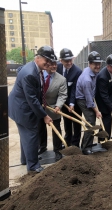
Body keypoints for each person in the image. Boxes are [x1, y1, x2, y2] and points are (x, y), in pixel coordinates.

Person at [8, 45, 55, 173]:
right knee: (31, 135)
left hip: (19, 105)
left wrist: (43, 104)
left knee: (25, 135)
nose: (49, 63)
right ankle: (33, 166)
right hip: (22, 108)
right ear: (38, 58)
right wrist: (44, 115)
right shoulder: (30, 73)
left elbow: (35, 94)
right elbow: (32, 99)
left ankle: (26, 159)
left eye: (51, 61)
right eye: (47, 60)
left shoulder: (35, 68)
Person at [38, 60, 67, 161]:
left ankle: (58, 150)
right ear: (46, 64)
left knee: (57, 129)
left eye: (56, 64)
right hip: (39, 107)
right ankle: (42, 147)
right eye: (52, 64)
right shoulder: (38, 75)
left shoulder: (61, 79)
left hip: (53, 108)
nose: (54, 66)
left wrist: (58, 106)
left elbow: (62, 95)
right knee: (40, 128)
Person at [76, 51, 102, 155]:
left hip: (89, 96)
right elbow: (89, 101)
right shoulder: (87, 79)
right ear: (90, 64)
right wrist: (96, 111)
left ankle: (88, 144)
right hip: (82, 99)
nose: (98, 66)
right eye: (95, 64)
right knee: (90, 122)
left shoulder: (91, 72)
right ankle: (85, 147)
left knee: (91, 121)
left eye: (99, 63)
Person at [57, 48, 82, 147]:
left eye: (70, 60)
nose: (69, 62)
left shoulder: (77, 71)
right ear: (61, 60)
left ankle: (75, 144)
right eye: (66, 61)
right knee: (67, 122)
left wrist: (72, 103)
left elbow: (74, 89)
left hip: (75, 101)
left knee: (76, 123)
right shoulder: (57, 68)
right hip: (62, 101)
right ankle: (68, 141)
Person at [95, 54, 112, 141]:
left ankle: (102, 139)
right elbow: (104, 95)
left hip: (108, 99)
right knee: (107, 120)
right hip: (102, 101)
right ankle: (105, 140)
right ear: (108, 66)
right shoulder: (103, 77)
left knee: (105, 121)